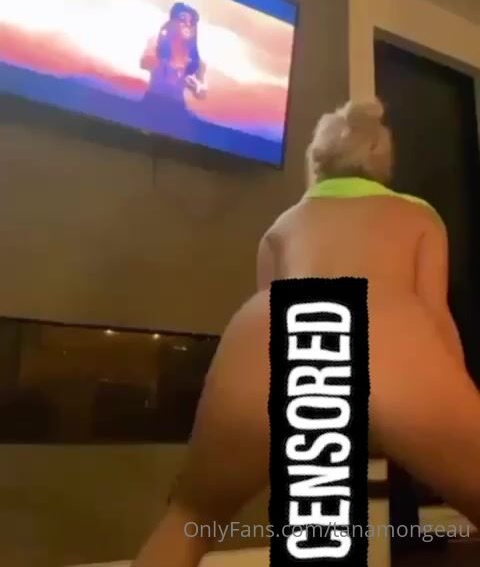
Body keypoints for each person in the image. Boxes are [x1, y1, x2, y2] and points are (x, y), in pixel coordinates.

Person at [133, 99, 480, 567]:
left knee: (190, 519)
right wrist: (453, 407)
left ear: (321, 159)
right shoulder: (417, 215)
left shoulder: (281, 226)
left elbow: (281, 326)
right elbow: (434, 317)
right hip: (388, 332)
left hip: (271, 330)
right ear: (380, 158)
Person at [141, 2, 208, 114]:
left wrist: (196, 86)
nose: (188, 24)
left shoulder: (197, 61)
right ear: (172, 22)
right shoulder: (157, 43)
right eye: (182, 19)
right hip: (151, 104)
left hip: (177, 109)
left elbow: (203, 93)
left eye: (192, 22)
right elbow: (144, 63)